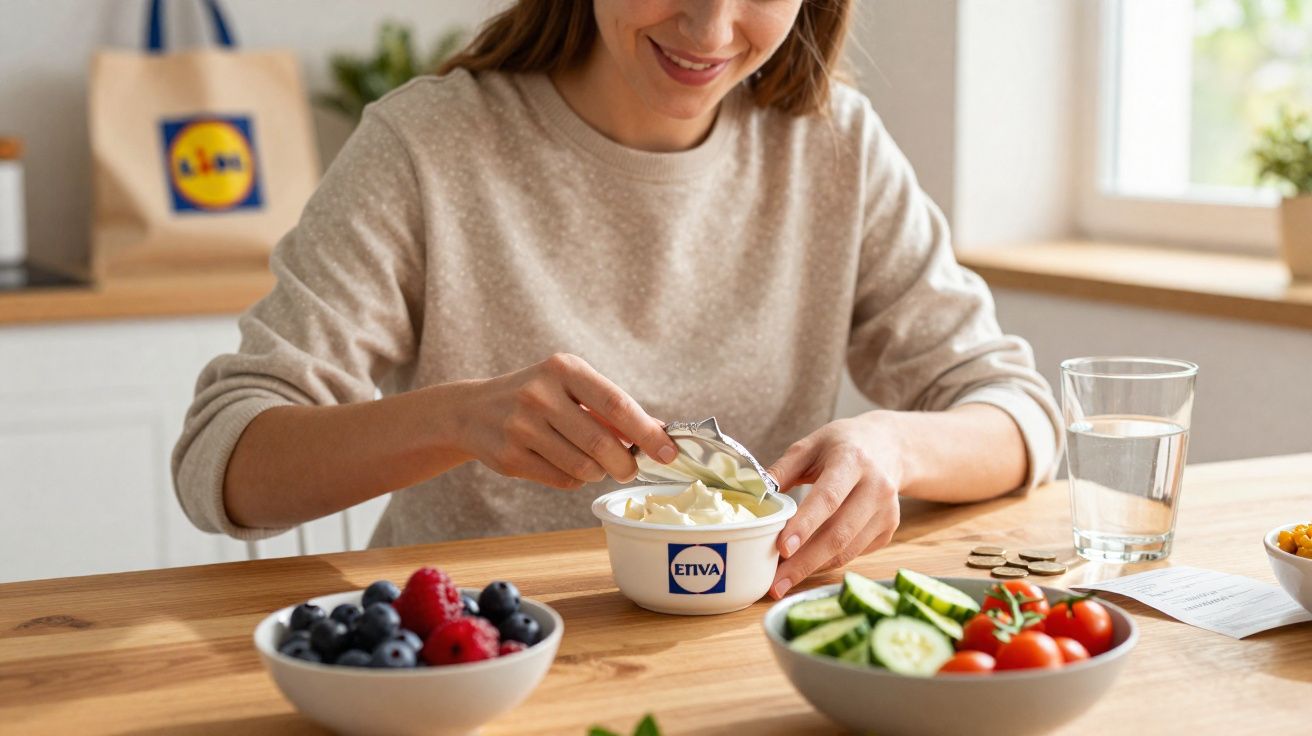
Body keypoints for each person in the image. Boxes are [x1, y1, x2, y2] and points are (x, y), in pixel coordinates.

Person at [173, 0, 1061, 600]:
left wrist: (891, 445)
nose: (711, 27)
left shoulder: (835, 148)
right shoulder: (427, 145)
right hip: (466, 662)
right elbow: (223, 465)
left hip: (734, 661)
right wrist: (458, 420)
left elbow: (1020, 417)